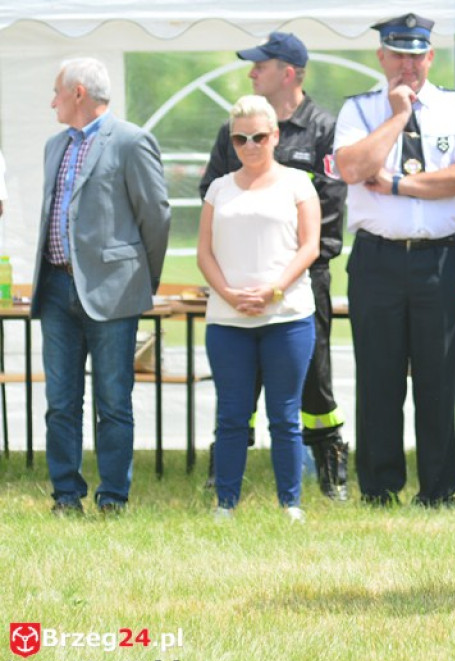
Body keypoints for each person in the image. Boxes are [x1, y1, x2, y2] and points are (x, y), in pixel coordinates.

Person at [334, 13, 455, 508]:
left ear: (431, 56)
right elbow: (353, 168)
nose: (407, 65)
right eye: (397, 54)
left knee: (438, 374)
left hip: (440, 260)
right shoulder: (360, 110)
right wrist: (398, 117)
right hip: (377, 259)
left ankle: (439, 490)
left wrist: (399, 185)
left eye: (416, 54)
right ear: (381, 57)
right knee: (378, 376)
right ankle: (380, 488)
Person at [199, 32, 350, 502]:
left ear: (287, 72)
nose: (251, 73)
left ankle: (329, 467)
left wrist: (286, 277)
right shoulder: (237, 125)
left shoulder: (323, 127)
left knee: (314, 381)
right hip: (238, 289)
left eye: (259, 66)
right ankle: (224, 473)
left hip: (304, 280)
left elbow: (330, 205)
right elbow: (214, 190)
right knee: (238, 388)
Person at [31, 57, 171, 515]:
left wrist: (139, 281)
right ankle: (66, 497)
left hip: (113, 292)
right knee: (60, 403)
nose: (51, 100)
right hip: (55, 289)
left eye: (56, 91)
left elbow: (156, 215)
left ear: (78, 93)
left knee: (112, 402)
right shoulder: (55, 145)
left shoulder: (130, 141)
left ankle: (113, 498)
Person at [198, 95, 320, 521]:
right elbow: (204, 254)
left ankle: (291, 504)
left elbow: (310, 246)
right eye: (240, 138)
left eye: (259, 136)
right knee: (232, 415)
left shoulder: (298, 184)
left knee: (284, 416)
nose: (250, 145)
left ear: (276, 137)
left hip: (286, 317)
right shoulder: (218, 187)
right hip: (227, 320)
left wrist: (274, 289)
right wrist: (228, 294)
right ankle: (225, 504)